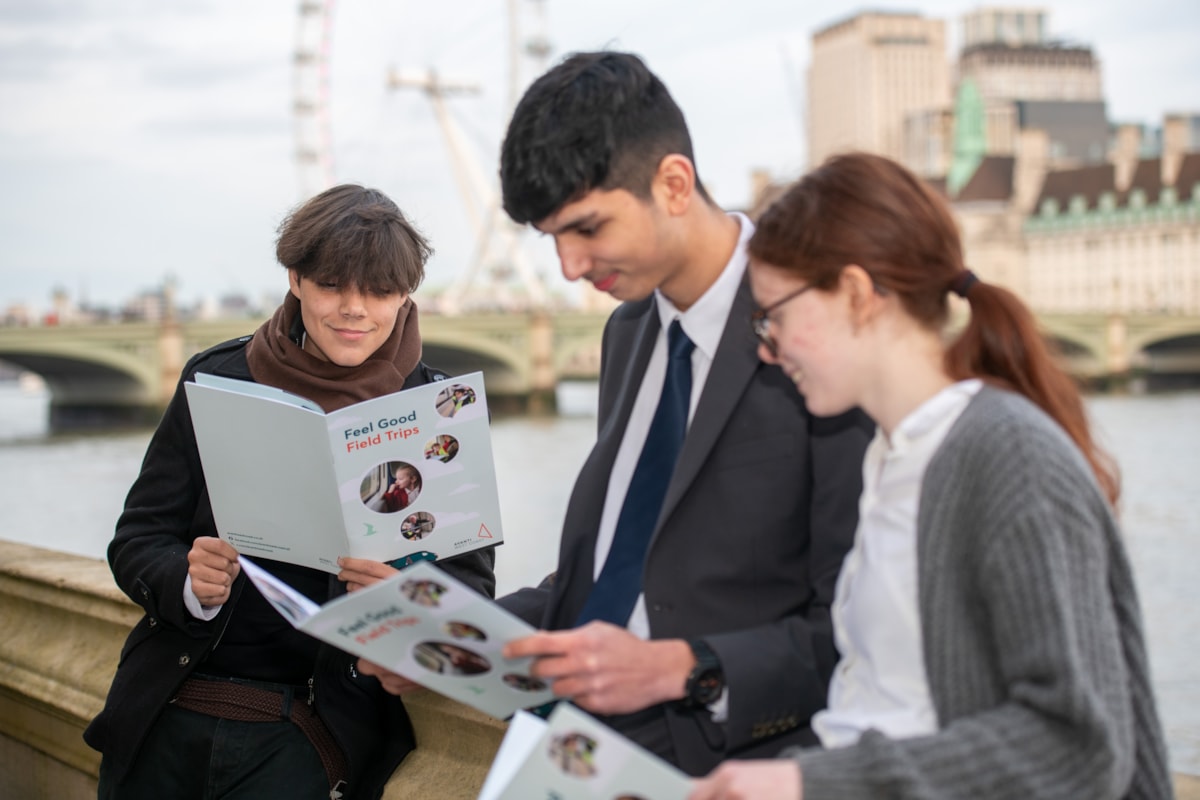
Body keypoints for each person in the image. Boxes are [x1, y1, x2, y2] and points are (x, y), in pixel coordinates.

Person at [689, 152, 1172, 799]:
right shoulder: (893, 456)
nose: (767, 348)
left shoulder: (1008, 458)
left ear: (858, 295)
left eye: (773, 315)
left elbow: (1077, 747)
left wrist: (810, 782)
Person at [492, 50, 871, 776]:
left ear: (673, 184)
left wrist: (685, 667)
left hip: (724, 760)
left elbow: (860, 631)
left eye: (588, 228)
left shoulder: (815, 337)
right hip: (568, 747)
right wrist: (441, 629)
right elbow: (605, 578)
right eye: (552, 240)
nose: (569, 267)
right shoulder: (627, 331)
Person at [83, 184, 496, 800]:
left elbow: (473, 593)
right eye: (332, 284)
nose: (354, 309)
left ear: (407, 294)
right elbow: (137, 538)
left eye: (380, 290)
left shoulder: (441, 411)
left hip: (316, 731)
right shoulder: (217, 377)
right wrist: (187, 580)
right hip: (171, 708)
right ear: (296, 278)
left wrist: (408, 598)